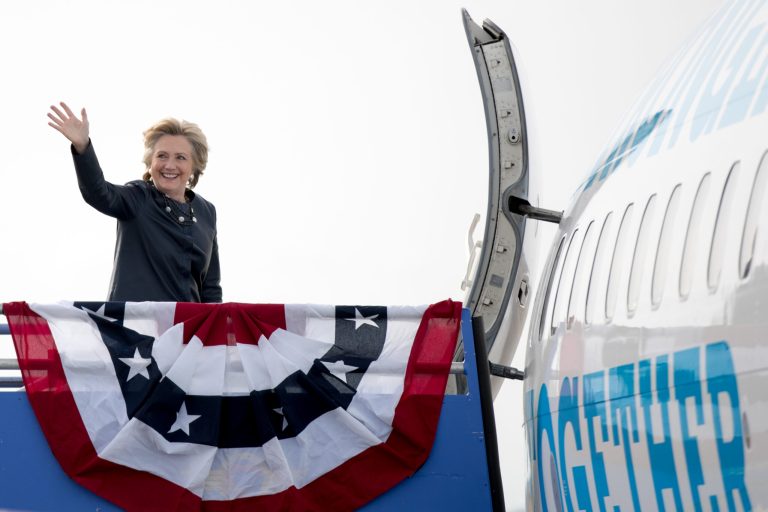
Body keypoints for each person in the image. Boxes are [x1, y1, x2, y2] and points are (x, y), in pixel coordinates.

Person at [47, 102, 222, 303]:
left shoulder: (207, 211)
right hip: (135, 330)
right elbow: (99, 193)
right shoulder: (139, 197)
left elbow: (210, 288)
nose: (169, 165)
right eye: (161, 156)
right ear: (150, 162)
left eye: (180, 157)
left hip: (185, 329)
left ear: (194, 166)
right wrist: (82, 146)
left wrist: (213, 331)